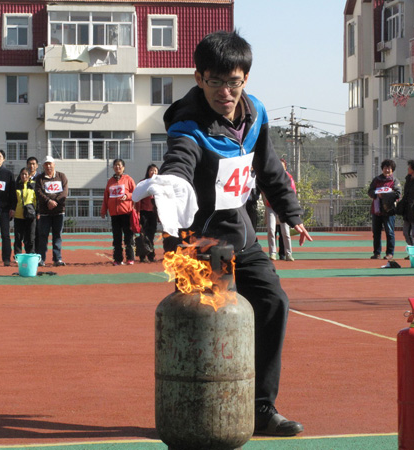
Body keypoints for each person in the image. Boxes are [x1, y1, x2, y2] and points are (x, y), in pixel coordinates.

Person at [134, 30, 312, 437]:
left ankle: (260, 407)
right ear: (199, 78)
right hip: (196, 244)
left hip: (242, 236)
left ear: (244, 80)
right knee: (203, 322)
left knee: (272, 302)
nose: (225, 92)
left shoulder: (257, 115)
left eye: (233, 82)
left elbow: (269, 169)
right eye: (215, 81)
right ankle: (196, 409)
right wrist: (173, 182)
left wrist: (290, 211)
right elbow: (180, 158)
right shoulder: (187, 122)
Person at [101, 158, 136, 266]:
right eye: (115, 165)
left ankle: (130, 258)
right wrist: (103, 210)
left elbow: (136, 194)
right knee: (116, 238)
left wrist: (127, 196)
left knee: (128, 237)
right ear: (113, 168)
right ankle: (118, 259)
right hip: (114, 215)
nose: (117, 167)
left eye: (119, 165)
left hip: (126, 213)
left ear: (123, 167)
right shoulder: (110, 181)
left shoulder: (128, 179)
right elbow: (106, 197)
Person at [35, 156, 68, 267]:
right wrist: (48, 201)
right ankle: (41, 259)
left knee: (57, 235)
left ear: (54, 164)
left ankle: (57, 259)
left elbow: (64, 192)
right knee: (43, 236)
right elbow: (39, 192)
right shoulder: (40, 178)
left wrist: (55, 202)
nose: (48, 166)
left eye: (50, 164)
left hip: (59, 212)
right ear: (43, 166)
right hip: (45, 213)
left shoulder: (61, 176)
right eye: (46, 164)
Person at [367, 159, 401, 260]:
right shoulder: (376, 180)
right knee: (376, 232)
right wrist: (376, 194)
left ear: (392, 170)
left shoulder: (395, 181)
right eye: (385, 168)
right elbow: (370, 191)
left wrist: (387, 196)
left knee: (390, 232)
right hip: (376, 210)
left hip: (389, 210)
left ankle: (390, 253)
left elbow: (398, 194)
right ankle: (377, 253)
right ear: (382, 169)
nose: (387, 170)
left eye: (389, 168)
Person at [265, 159, 296, 262]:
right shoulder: (270, 177)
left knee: (286, 232)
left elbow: (292, 192)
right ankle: (272, 253)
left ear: (285, 167)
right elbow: (264, 190)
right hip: (271, 207)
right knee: (271, 230)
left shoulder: (289, 178)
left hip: (283, 207)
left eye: (282, 166)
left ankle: (288, 253)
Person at [135, 164, 158, 263]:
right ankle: (142, 255)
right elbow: (138, 198)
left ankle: (151, 255)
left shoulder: (160, 183)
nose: (153, 172)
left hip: (153, 213)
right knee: (143, 234)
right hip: (144, 211)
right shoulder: (143, 183)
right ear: (148, 172)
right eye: (151, 170)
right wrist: (138, 213)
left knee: (151, 235)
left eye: (155, 171)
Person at [13, 168, 37, 255]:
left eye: (26, 174)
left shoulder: (34, 185)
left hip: (31, 214)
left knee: (30, 237)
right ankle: (18, 254)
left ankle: (30, 253)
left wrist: (37, 212)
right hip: (18, 215)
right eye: (22, 174)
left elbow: (36, 200)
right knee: (18, 237)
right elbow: (13, 200)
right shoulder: (16, 185)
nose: (24, 176)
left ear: (29, 175)